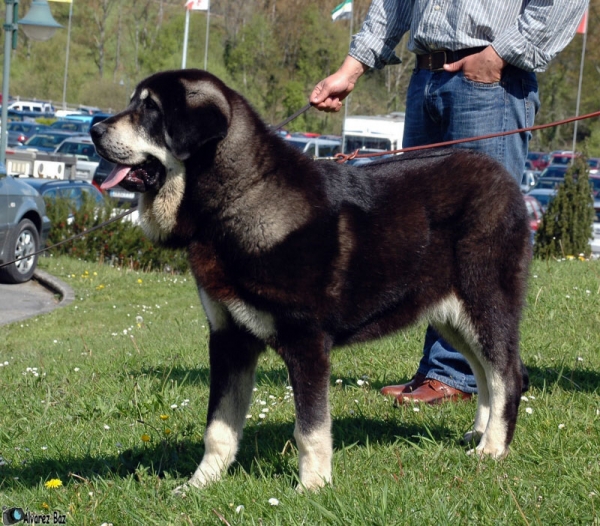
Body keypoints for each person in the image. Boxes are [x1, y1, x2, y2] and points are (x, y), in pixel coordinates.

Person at [311, 0, 588, 404]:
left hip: (489, 82)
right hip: (426, 77)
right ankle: (441, 368)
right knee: (426, 241)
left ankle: (461, 375)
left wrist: (498, 56)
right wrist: (352, 67)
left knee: (480, 241)